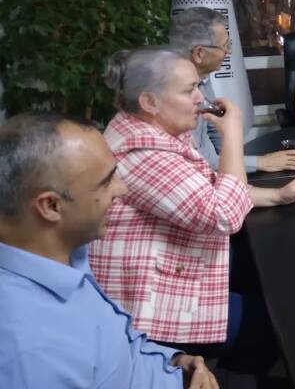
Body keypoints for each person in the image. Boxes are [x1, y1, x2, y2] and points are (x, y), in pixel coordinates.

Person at [89, 47, 295, 375]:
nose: (200, 98)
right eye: (188, 90)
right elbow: (225, 215)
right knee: (272, 325)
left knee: (267, 274)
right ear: (150, 102)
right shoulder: (143, 154)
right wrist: (232, 135)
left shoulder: (151, 131)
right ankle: (218, 374)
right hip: (146, 297)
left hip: (172, 259)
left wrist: (277, 195)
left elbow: (212, 188)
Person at [0, 112, 218, 388]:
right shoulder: (31, 354)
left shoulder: (65, 255)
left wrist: (173, 360)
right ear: (51, 206)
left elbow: (114, 340)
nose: (122, 189)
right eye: (106, 181)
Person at [169, 7, 295, 173]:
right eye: (224, 46)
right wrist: (260, 163)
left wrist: (236, 159)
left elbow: (213, 129)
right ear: (199, 53)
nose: (229, 51)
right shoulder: (177, 96)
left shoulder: (202, 76)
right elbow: (203, 162)